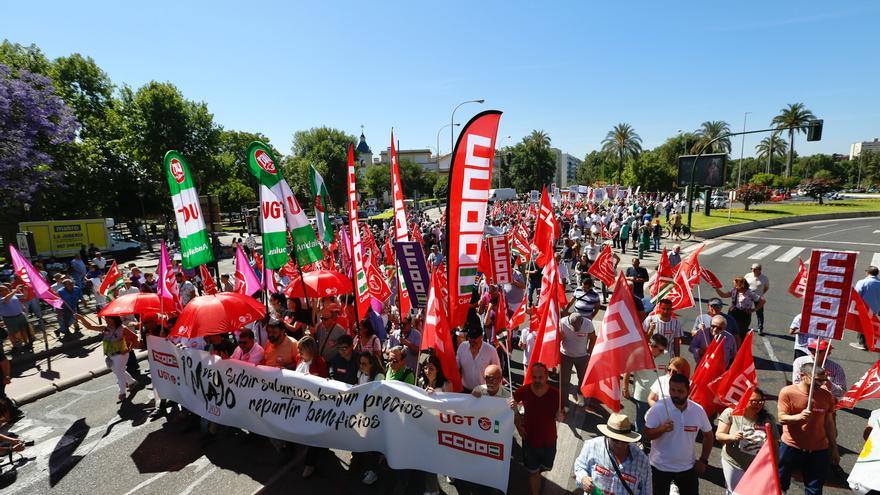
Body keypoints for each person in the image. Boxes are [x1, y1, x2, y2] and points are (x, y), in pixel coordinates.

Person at [644, 372, 714, 495]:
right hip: (659, 468)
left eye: (680, 391)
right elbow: (647, 434)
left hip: (687, 468)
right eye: (672, 390)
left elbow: (708, 436)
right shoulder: (658, 408)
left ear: (689, 390)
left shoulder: (698, 411)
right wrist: (661, 429)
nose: (675, 394)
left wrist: (703, 460)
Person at [778, 364, 839, 495]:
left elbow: (829, 423)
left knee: (815, 490)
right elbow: (781, 418)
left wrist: (834, 448)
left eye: (824, 380)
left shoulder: (826, 396)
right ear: (803, 376)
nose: (821, 383)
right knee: (780, 484)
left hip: (818, 450)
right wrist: (799, 417)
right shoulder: (787, 392)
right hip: (791, 447)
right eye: (817, 380)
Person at [511, 362, 563, 495]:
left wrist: (561, 416)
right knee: (533, 473)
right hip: (530, 441)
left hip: (549, 442)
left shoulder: (556, 394)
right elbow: (511, 404)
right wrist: (518, 424)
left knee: (545, 468)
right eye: (534, 377)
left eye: (540, 377)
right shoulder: (524, 390)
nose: (537, 380)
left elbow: (563, 412)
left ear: (546, 377)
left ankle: (537, 472)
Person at [716, 387, 777, 494]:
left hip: (757, 466)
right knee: (735, 492)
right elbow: (719, 435)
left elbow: (775, 444)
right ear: (744, 400)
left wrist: (774, 466)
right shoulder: (731, 413)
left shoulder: (768, 419)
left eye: (761, 401)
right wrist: (732, 437)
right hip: (734, 463)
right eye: (754, 402)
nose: (758, 404)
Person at [574, 413, 652, 495]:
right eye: (615, 439)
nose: (620, 444)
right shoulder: (591, 446)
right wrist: (583, 478)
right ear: (607, 436)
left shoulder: (642, 461)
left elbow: (647, 491)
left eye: (624, 440)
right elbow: (580, 466)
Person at [76, 314, 140, 402]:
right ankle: (132, 382)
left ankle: (122, 392)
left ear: (114, 319)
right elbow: (89, 326)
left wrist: (129, 349)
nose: (106, 320)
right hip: (110, 355)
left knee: (119, 373)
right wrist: (81, 318)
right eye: (105, 318)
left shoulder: (123, 328)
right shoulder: (105, 328)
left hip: (121, 355)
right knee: (119, 371)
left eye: (108, 318)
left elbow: (135, 337)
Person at [623, 333, 668, 442]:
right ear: (651, 345)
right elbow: (627, 371)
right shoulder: (638, 354)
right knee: (641, 419)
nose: (662, 352)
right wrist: (625, 389)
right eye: (660, 350)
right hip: (642, 394)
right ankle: (640, 440)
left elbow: (667, 373)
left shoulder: (666, 355)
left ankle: (652, 439)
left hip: (658, 395)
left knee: (656, 419)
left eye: (663, 350)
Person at [295, 335, 329, 479]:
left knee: (313, 436)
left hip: (315, 406)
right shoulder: (299, 360)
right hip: (300, 404)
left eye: (301, 349)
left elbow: (325, 385)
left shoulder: (320, 362)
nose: (299, 352)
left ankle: (310, 464)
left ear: (309, 349)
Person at [558, 312, 596, 409]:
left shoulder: (588, 324)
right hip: (565, 356)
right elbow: (556, 339)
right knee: (564, 381)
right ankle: (564, 403)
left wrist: (589, 353)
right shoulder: (562, 323)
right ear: (569, 322)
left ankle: (580, 396)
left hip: (582, 357)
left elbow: (593, 337)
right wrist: (559, 337)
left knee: (582, 379)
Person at [715, 276, 763, 345]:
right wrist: (716, 288)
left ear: (740, 284)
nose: (734, 285)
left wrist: (754, 309)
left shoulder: (749, 292)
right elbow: (723, 295)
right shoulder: (734, 290)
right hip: (733, 312)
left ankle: (739, 348)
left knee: (741, 333)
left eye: (735, 284)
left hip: (744, 315)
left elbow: (762, 301)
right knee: (729, 330)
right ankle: (728, 346)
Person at [456, 326, 501, 392]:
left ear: (481, 337)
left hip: (483, 392)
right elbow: (456, 367)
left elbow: (497, 371)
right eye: (470, 337)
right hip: (465, 391)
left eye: (475, 338)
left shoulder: (491, 351)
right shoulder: (462, 347)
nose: (472, 340)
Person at [853, 265, 880, 350]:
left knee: (862, 325)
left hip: (864, 308)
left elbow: (856, 295)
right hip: (875, 308)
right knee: (869, 324)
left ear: (868, 273)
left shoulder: (862, 282)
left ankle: (862, 344)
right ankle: (868, 342)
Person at [0, 284, 31, 353]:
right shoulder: (2, 298)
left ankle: (26, 344)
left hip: (20, 315)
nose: (8, 289)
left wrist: (25, 290)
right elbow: (6, 299)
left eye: (7, 288)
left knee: (23, 330)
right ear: (0, 292)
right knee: (14, 333)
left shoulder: (12, 295)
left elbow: (24, 296)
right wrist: (15, 291)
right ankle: (16, 347)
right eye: (5, 289)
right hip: (9, 318)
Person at [743, 263, 769, 335]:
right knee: (746, 312)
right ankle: (745, 326)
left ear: (760, 270)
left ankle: (760, 328)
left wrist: (760, 294)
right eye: (752, 268)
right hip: (748, 297)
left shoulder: (764, 278)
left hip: (758, 297)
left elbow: (766, 288)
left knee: (759, 313)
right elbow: (743, 284)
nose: (753, 270)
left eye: (755, 269)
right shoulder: (748, 275)